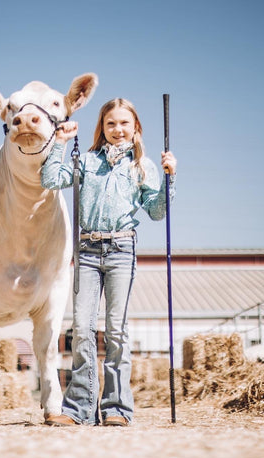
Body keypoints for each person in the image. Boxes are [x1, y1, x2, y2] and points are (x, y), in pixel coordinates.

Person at [42, 98, 177, 427]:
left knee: (116, 331)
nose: (118, 130)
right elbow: (50, 179)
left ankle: (117, 408)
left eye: (124, 123)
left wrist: (170, 179)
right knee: (83, 330)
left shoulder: (143, 167)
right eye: (111, 124)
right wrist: (59, 143)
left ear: (136, 128)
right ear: (102, 128)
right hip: (87, 251)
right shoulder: (87, 161)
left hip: (121, 249)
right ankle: (79, 410)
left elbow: (157, 212)